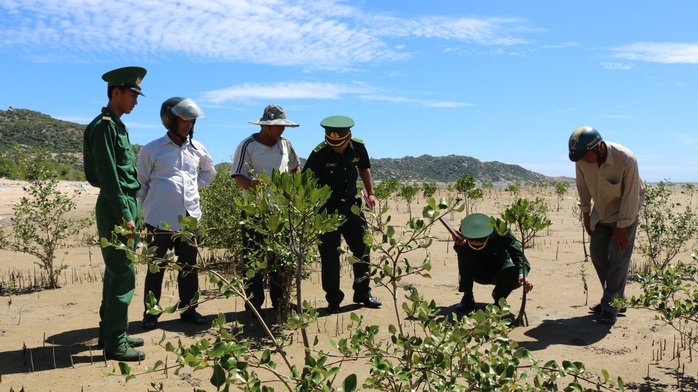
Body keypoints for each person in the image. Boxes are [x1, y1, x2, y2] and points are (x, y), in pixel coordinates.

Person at [83, 66, 147, 361]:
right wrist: (125, 214)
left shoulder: (118, 125)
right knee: (123, 273)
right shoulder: (105, 126)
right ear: (116, 92)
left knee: (116, 272)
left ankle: (113, 332)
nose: (136, 100)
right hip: (116, 204)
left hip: (124, 202)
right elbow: (109, 176)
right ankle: (115, 342)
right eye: (132, 94)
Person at [137, 97, 216, 330]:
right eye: (184, 119)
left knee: (189, 269)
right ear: (170, 119)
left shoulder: (197, 149)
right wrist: (143, 212)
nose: (188, 124)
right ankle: (151, 313)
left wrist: (190, 188)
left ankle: (189, 310)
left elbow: (208, 174)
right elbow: (141, 184)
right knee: (156, 268)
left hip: (189, 221)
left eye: (192, 120)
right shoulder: (151, 149)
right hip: (158, 221)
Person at [302, 115, 381, 314]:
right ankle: (333, 299)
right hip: (327, 209)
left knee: (362, 249)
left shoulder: (359, 147)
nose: (336, 147)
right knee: (329, 255)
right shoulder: (318, 152)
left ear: (349, 136)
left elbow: (364, 168)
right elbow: (306, 181)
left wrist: (370, 192)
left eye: (340, 143)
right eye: (332, 143)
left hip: (353, 207)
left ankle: (363, 293)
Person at [568, 126, 644, 325]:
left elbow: (632, 196)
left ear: (598, 147)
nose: (583, 160)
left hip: (625, 213)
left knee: (619, 259)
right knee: (597, 255)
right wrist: (586, 215)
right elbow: (582, 187)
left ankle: (610, 306)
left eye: (586, 156)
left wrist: (622, 228)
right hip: (600, 212)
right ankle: (616, 299)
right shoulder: (582, 160)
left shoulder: (626, 159)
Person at [231, 104, 300, 315]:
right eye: (277, 126)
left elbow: (295, 168)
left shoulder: (286, 144)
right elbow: (238, 176)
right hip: (255, 212)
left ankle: (280, 302)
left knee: (280, 259)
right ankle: (254, 305)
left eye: (283, 126)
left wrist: (294, 189)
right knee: (254, 259)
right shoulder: (248, 145)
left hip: (281, 212)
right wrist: (252, 184)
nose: (281, 130)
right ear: (265, 125)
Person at [450, 213, 533, 314]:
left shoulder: (502, 232)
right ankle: (468, 297)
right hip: (476, 272)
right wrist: (461, 245)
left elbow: (519, 256)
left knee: (516, 273)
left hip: (499, 269)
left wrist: (522, 275)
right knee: (464, 253)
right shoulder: (466, 230)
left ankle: (499, 297)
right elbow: (459, 250)